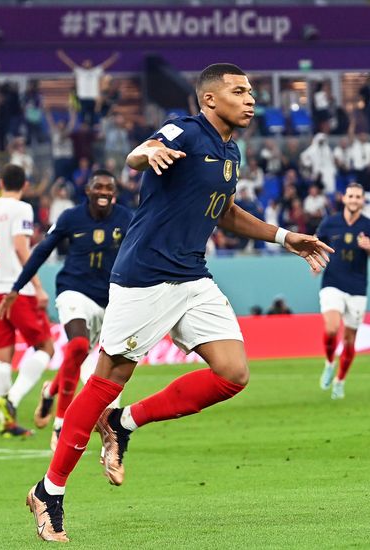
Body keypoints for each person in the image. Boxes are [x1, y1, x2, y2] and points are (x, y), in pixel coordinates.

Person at [22, 63, 333, 543]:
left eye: (250, 91)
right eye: (238, 91)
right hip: (145, 276)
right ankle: (49, 490)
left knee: (233, 373)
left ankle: (125, 423)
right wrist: (149, 152)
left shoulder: (231, 150)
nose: (250, 98)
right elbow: (137, 155)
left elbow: (225, 211)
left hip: (191, 276)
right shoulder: (185, 129)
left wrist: (283, 235)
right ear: (210, 100)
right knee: (108, 378)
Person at [0, 170, 133, 451]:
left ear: (114, 193)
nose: (104, 191)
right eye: (98, 186)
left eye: (109, 187)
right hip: (73, 291)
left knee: (79, 354)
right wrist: (16, 288)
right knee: (79, 345)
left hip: (109, 299)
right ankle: (60, 424)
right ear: (88, 191)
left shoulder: (126, 218)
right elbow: (42, 250)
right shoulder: (71, 218)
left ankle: (50, 390)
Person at [0, 164, 54, 437]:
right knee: (45, 347)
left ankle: (5, 422)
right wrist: (38, 286)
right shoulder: (21, 209)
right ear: (26, 185)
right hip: (17, 292)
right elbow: (21, 247)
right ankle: (12, 400)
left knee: (4, 355)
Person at [318, 182, 370, 399]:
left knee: (349, 340)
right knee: (331, 329)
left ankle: (340, 381)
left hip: (357, 287)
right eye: (351, 196)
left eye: (358, 197)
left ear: (362, 201)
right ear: (344, 198)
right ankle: (330, 362)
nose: (354, 200)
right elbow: (317, 244)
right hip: (332, 282)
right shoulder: (330, 222)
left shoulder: (368, 225)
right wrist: (316, 261)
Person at [56, 49, 120, 127]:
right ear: (83, 64)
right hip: (82, 98)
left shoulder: (96, 71)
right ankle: (84, 129)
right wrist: (62, 55)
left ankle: (95, 130)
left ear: (91, 64)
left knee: (95, 119)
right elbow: (70, 63)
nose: (87, 64)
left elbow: (105, 65)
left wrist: (114, 58)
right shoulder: (79, 71)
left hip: (93, 98)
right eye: (85, 62)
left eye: (88, 62)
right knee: (83, 120)